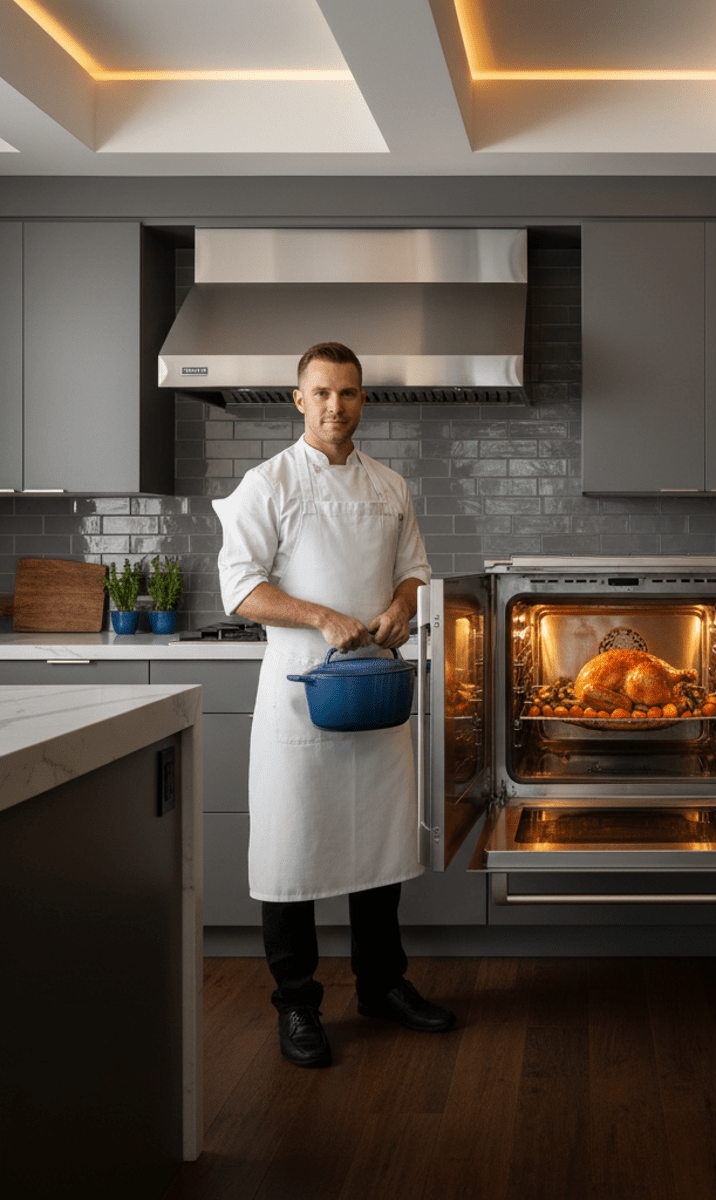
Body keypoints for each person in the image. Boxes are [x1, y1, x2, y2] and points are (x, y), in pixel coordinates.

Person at [213, 341, 454, 1069]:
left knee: (381, 844)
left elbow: (416, 575)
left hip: (376, 688)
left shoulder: (390, 486)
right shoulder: (267, 483)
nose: (335, 406)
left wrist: (402, 608)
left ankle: (383, 985)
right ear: (298, 399)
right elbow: (240, 589)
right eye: (321, 393)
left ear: (362, 400)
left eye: (348, 393)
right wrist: (322, 617)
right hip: (300, 696)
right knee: (292, 849)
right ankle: (297, 1004)